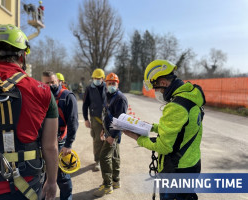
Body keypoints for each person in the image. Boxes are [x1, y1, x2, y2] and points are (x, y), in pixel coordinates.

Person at [0, 24, 58, 200]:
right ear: (23, 56)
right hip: (25, 188)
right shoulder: (43, 91)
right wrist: (52, 181)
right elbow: (50, 146)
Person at [124, 59, 205, 200]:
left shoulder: (176, 106)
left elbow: (164, 146)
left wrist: (138, 138)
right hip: (192, 164)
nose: (157, 92)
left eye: (156, 88)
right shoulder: (189, 97)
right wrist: (150, 126)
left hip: (176, 170)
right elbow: (181, 129)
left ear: (163, 83)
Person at [42, 70, 79, 200]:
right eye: (47, 83)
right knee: (43, 175)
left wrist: (68, 144)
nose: (50, 85)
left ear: (58, 82)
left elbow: (73, 121)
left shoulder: (67, 96)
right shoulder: (41, 96)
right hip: (43, 141)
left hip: (60, 141)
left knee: (62, 176)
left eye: (53, 82)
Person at [93, 73, 128, 197]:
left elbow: (120, 120)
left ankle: (107, 186)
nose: (111, 85)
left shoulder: (120, 98)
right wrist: (103, 128)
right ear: (106, 84)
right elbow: (106, 114)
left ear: (117, 84)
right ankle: (115, 181)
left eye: (114, 83)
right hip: (108, 131)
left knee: (104, 157)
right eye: (109, 83)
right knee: (114, 156)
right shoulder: (108, 96)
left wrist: (112, 136)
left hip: (113, 132)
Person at [82, 68, 106, 171]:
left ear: (102, 78)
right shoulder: (89, 89)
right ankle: (98, 161)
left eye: (98, 78)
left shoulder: (107, 87)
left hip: (107, 118)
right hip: (95, 118)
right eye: (94, 78)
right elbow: (85, 105)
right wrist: (86, 119)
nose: (96, 79)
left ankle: (107, 160)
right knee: (97, 140)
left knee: (108, 139)